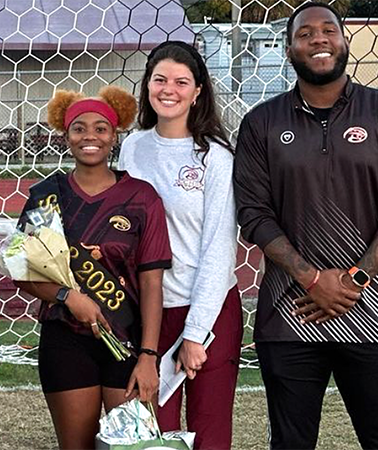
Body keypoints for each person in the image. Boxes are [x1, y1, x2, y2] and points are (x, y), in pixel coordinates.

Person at [234, 3, 378, 449]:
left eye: (328, 31)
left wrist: (354, 279)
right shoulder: (261, 123)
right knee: (291, 442)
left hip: (377, 315)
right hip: (290, 318)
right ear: (289, 50)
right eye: (306, 33)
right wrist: (312, 278)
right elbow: (253, 214)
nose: (318, 39)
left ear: (345, 43)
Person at [16, 85, 171, 450]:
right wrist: (68, 296)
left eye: (101, 128)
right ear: (65, 136)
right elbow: (25, 269)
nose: (90, 136)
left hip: (128, 340)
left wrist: (149, 356)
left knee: (133, 447)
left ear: (114, 136)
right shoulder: (45, 195)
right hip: (65, 341)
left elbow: (152, 284)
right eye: (79, 128)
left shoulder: (142, 197)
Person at [117, 41, 241, 450]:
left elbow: (220, 249)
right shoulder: (133, 146)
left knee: (209, 433)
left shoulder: (216, 158)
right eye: (160, 79)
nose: (169, 89)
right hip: (149, 311)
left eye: (181, 82)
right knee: (154, 433)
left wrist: (195, 332)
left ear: (198, 90)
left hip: (207, 312)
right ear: (147, 85)